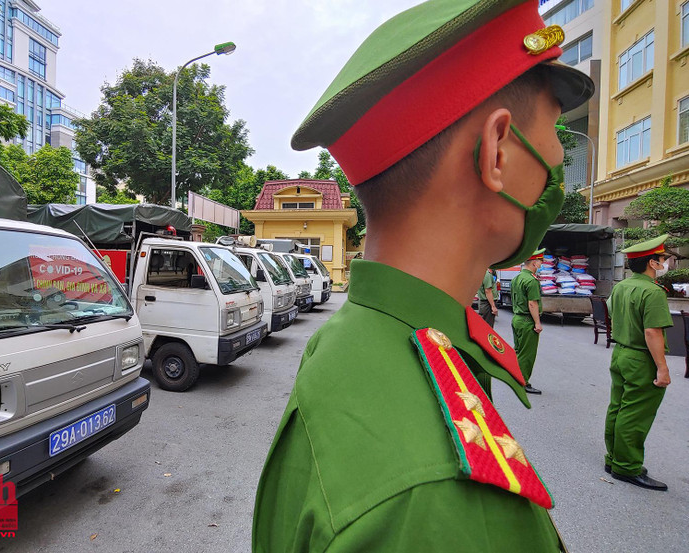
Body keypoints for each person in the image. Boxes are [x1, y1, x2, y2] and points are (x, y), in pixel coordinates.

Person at [253, 1, 594, 551]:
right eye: (557, 130)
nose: (558, 158)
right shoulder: (431, 496)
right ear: (498, 151)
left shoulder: (350, 337)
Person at [604, 234, 673, 491]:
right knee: (635, 413)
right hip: (640, 358)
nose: (664, 262)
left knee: (618, 407)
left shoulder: (621, 286)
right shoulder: (652, 292)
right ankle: (627, 466)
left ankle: (613, 458)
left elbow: (612, 312)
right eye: (662, 258)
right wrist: (663, 368)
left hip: (620, 353)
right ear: (652, 263)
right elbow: (652, 332)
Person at [510, 250, 545, 394]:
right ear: (534, 262)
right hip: (526, 321)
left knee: (518, 351)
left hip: (517, 319)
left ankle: (514, 378)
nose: (541, 264)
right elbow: (532, 303)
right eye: (540, 262)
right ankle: (523, 382)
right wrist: (537, 323)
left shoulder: (517, 278)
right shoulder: (531, 280)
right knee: (527, 354)